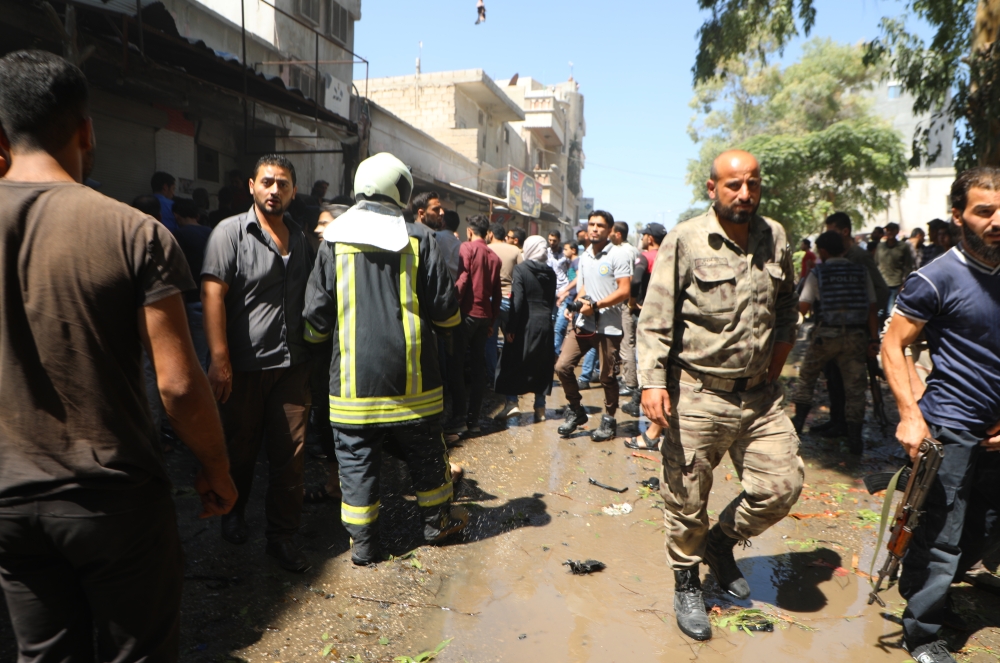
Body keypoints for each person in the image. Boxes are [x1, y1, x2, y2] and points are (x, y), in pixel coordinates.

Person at [0, 49, 236, 661]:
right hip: (114, 500)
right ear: (86, 129)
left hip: (9, 501)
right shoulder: (133, 233)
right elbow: (179, 386)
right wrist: (215, 467)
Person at [637, 149, 801, 642]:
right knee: (687, 497)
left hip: (760, 398)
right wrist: (651, 383)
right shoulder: (685, 240)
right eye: (733, 185)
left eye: (752, 184)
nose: (744, 194)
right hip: (699, 393)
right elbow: (656, 319)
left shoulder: (776, 237)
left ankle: (719, 542)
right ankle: (686, 583)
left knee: (781, 487)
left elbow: (787, 309)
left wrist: (773, 373)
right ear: (712, 188)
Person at [302, 152, 467, 565]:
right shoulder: (419, 238)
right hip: (415, 381)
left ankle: (364, 547)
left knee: (356, 463)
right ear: (402, 192)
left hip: (353, 386)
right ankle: (436, 525)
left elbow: (315, 320)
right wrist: (450, 341)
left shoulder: (334, 240)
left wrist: (317, 351)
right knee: (427, 456)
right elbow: (447, 311)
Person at [881, 167, 1000, 663]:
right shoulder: (936, 276)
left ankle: (921, 586)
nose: (997, 221)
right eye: (984, 211)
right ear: (958, 216)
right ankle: (922, 631)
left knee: (988, 525)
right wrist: (910, 414)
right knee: (943, 533)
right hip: (949, 425)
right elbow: (893, 343)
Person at [202, 154, 314, 572]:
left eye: (282, 184)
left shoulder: (302, 238)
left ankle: (281, 537)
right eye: (267, 182)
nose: (274, 190)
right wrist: (219, 360)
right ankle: (233, 512)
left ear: (293, 191)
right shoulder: (229, 233)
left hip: (292, 366)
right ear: (251, 186)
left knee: (291, 455)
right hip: (244, 368)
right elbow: (212, 294)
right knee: (241, 449)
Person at [790, 231, 879, 454]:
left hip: (825, 336)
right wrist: (874, 339)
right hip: (856, 338)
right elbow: (871, 307)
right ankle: (855, 441)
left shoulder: (817, 273)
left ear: (823, 251)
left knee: (807, 378)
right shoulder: (861, 271)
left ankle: (797, 428)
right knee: (855, 389)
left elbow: (803, 306)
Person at [555, 209, 633, 442]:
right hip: (583, 323)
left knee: (607, 377)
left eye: (600, 225)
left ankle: (609, 419)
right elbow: (585, 286)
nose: (595, 228)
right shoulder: (585, 255)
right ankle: (577, 411)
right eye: (591, 224)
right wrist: (575, 305)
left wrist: (596, 305)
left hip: (608, 327)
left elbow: (624, 291)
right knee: (562, 367)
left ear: (610, 230)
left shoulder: (617, 255)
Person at [819, 211, 891, 437]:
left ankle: (849, 428)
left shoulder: (858, 257)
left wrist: (867, 320)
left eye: (831, 232)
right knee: (833, 376)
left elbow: (880, 290)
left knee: (850, 382)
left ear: (844, 232)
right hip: (833, 329)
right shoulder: (837, 256)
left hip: (854, 331)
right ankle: (836, 420)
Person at [451, 215, 503, 434]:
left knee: (456, 366)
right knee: (479, 367)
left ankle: (458, 419)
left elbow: (463, 280)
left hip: (465, 314)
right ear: (487, 233)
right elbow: (498, 295)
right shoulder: (494, 256)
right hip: (484, 318)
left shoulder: (467, 248)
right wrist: (492, 321)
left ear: (470, 231)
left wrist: (452, 306)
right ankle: (474, 421)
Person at [496, 236, 557, 422]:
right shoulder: (551, 273)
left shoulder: (521, 270)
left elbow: (518, 301)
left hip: (525, 324)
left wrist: (511, 328)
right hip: (545, 324)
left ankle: (512, 404)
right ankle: (540, 409)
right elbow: (551, 301)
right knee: (541, 365)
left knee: (511, 361)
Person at [621, 221, 666, 425]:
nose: (641, 239)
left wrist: (632, 303)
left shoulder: (645, 256)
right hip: (667, 313)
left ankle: (637, 400)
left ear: (650, 238)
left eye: (643, 236)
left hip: (646, 312)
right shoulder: (668, 256)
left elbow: (636, 281)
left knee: (643, 356)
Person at [173, 197, 213, 370]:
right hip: (213, 302)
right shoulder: (212, 233)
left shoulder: (178, 236)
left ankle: (204, 397)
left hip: (191, 302)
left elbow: (176, 273)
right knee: (210, 356)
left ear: (176, 216)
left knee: (197, 359)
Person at [486, 222, 523, 386]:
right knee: (511, 338)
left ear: (491, 234)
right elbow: (522, 274)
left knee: (490, 340)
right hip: (509, 298)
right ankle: (511, 374)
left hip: (490, 298)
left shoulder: (486, 249)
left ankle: (493, 378)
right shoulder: (516, 251)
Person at [611, 221, 641, 401]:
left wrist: (629, 303)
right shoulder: (632, 250)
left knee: (626, 343)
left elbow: (630, 279)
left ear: (618, 234)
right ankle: (626, 378)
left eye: (611, 232)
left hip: (625, 302)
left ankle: (630, 382)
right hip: (627, 301)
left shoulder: (624, 251)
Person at [876, 222, 914, 312]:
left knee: (890, 311)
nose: (889, 233)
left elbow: (908, 267)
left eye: (892, 230)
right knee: (880, 311)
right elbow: (875, 264)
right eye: (887, 230)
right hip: (882, 285)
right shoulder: (880, 246)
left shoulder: (903, 247)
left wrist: (904, 284)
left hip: (895, 284)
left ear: (897, 231)